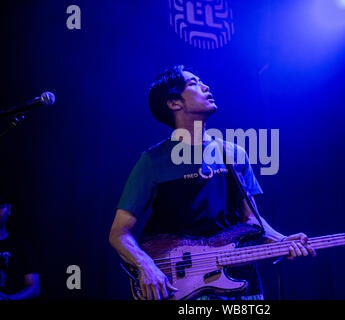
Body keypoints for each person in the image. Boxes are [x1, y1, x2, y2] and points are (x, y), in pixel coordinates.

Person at [109, 65, 316, 300]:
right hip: (184, 288)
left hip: (241, 283)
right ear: (174, 103)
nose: (206, 86)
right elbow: (119, 233)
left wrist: (282, 241)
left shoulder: (234, 154)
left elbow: (251, 221)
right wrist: (146, 266)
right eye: (194, 83)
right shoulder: (152, 162)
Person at [0, 193, 40, 300]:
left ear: (9, 209)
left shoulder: (22, 247)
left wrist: (9, 299)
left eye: (0, 207)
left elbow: (34, 287)